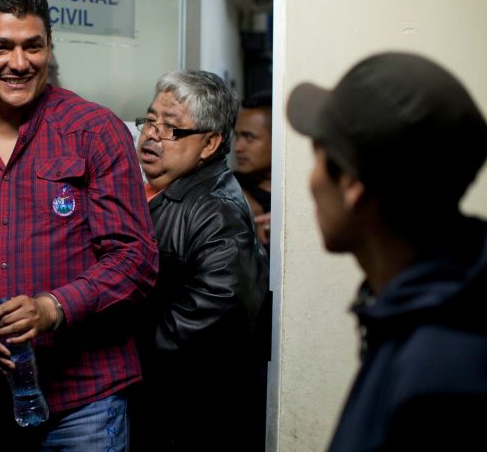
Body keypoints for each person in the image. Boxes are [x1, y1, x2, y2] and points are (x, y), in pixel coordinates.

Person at [0, 0, 158, 451]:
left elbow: (136, 260)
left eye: (33, 46)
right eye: (1, 47)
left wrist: (53, 308)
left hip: (84, 402)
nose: (19, 63)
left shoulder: (93, 131)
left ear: (49, 46)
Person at [286, 51, 487, 451]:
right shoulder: (430, 305)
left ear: (352, 187)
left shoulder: (441, 380)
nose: (309, 182)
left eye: (318, 156)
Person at [131, 69, 270, 451]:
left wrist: (127, 354)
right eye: (150, 121)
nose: (153, 135)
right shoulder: (151, 188)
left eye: (171, 129)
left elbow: (222, 302)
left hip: (186, 417)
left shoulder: (214, 209)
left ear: (209, 144)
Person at [234, 90, 272, 247]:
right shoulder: (229, 183)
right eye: (237, 136)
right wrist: (237, 194)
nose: (237, 147)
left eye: (249, 137)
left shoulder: (293, 197)